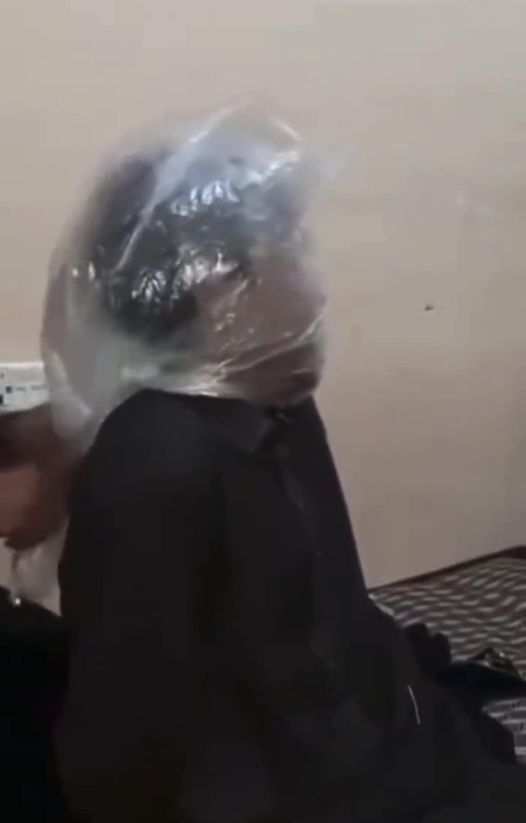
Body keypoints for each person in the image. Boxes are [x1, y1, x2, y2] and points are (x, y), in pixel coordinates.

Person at [3, 108, 526, 822]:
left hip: (368, 747)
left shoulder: (275, 399)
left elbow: (325, 621)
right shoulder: (155, 458)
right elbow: (121, 755)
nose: (313, 283)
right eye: (288, 250)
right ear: (218, 287)